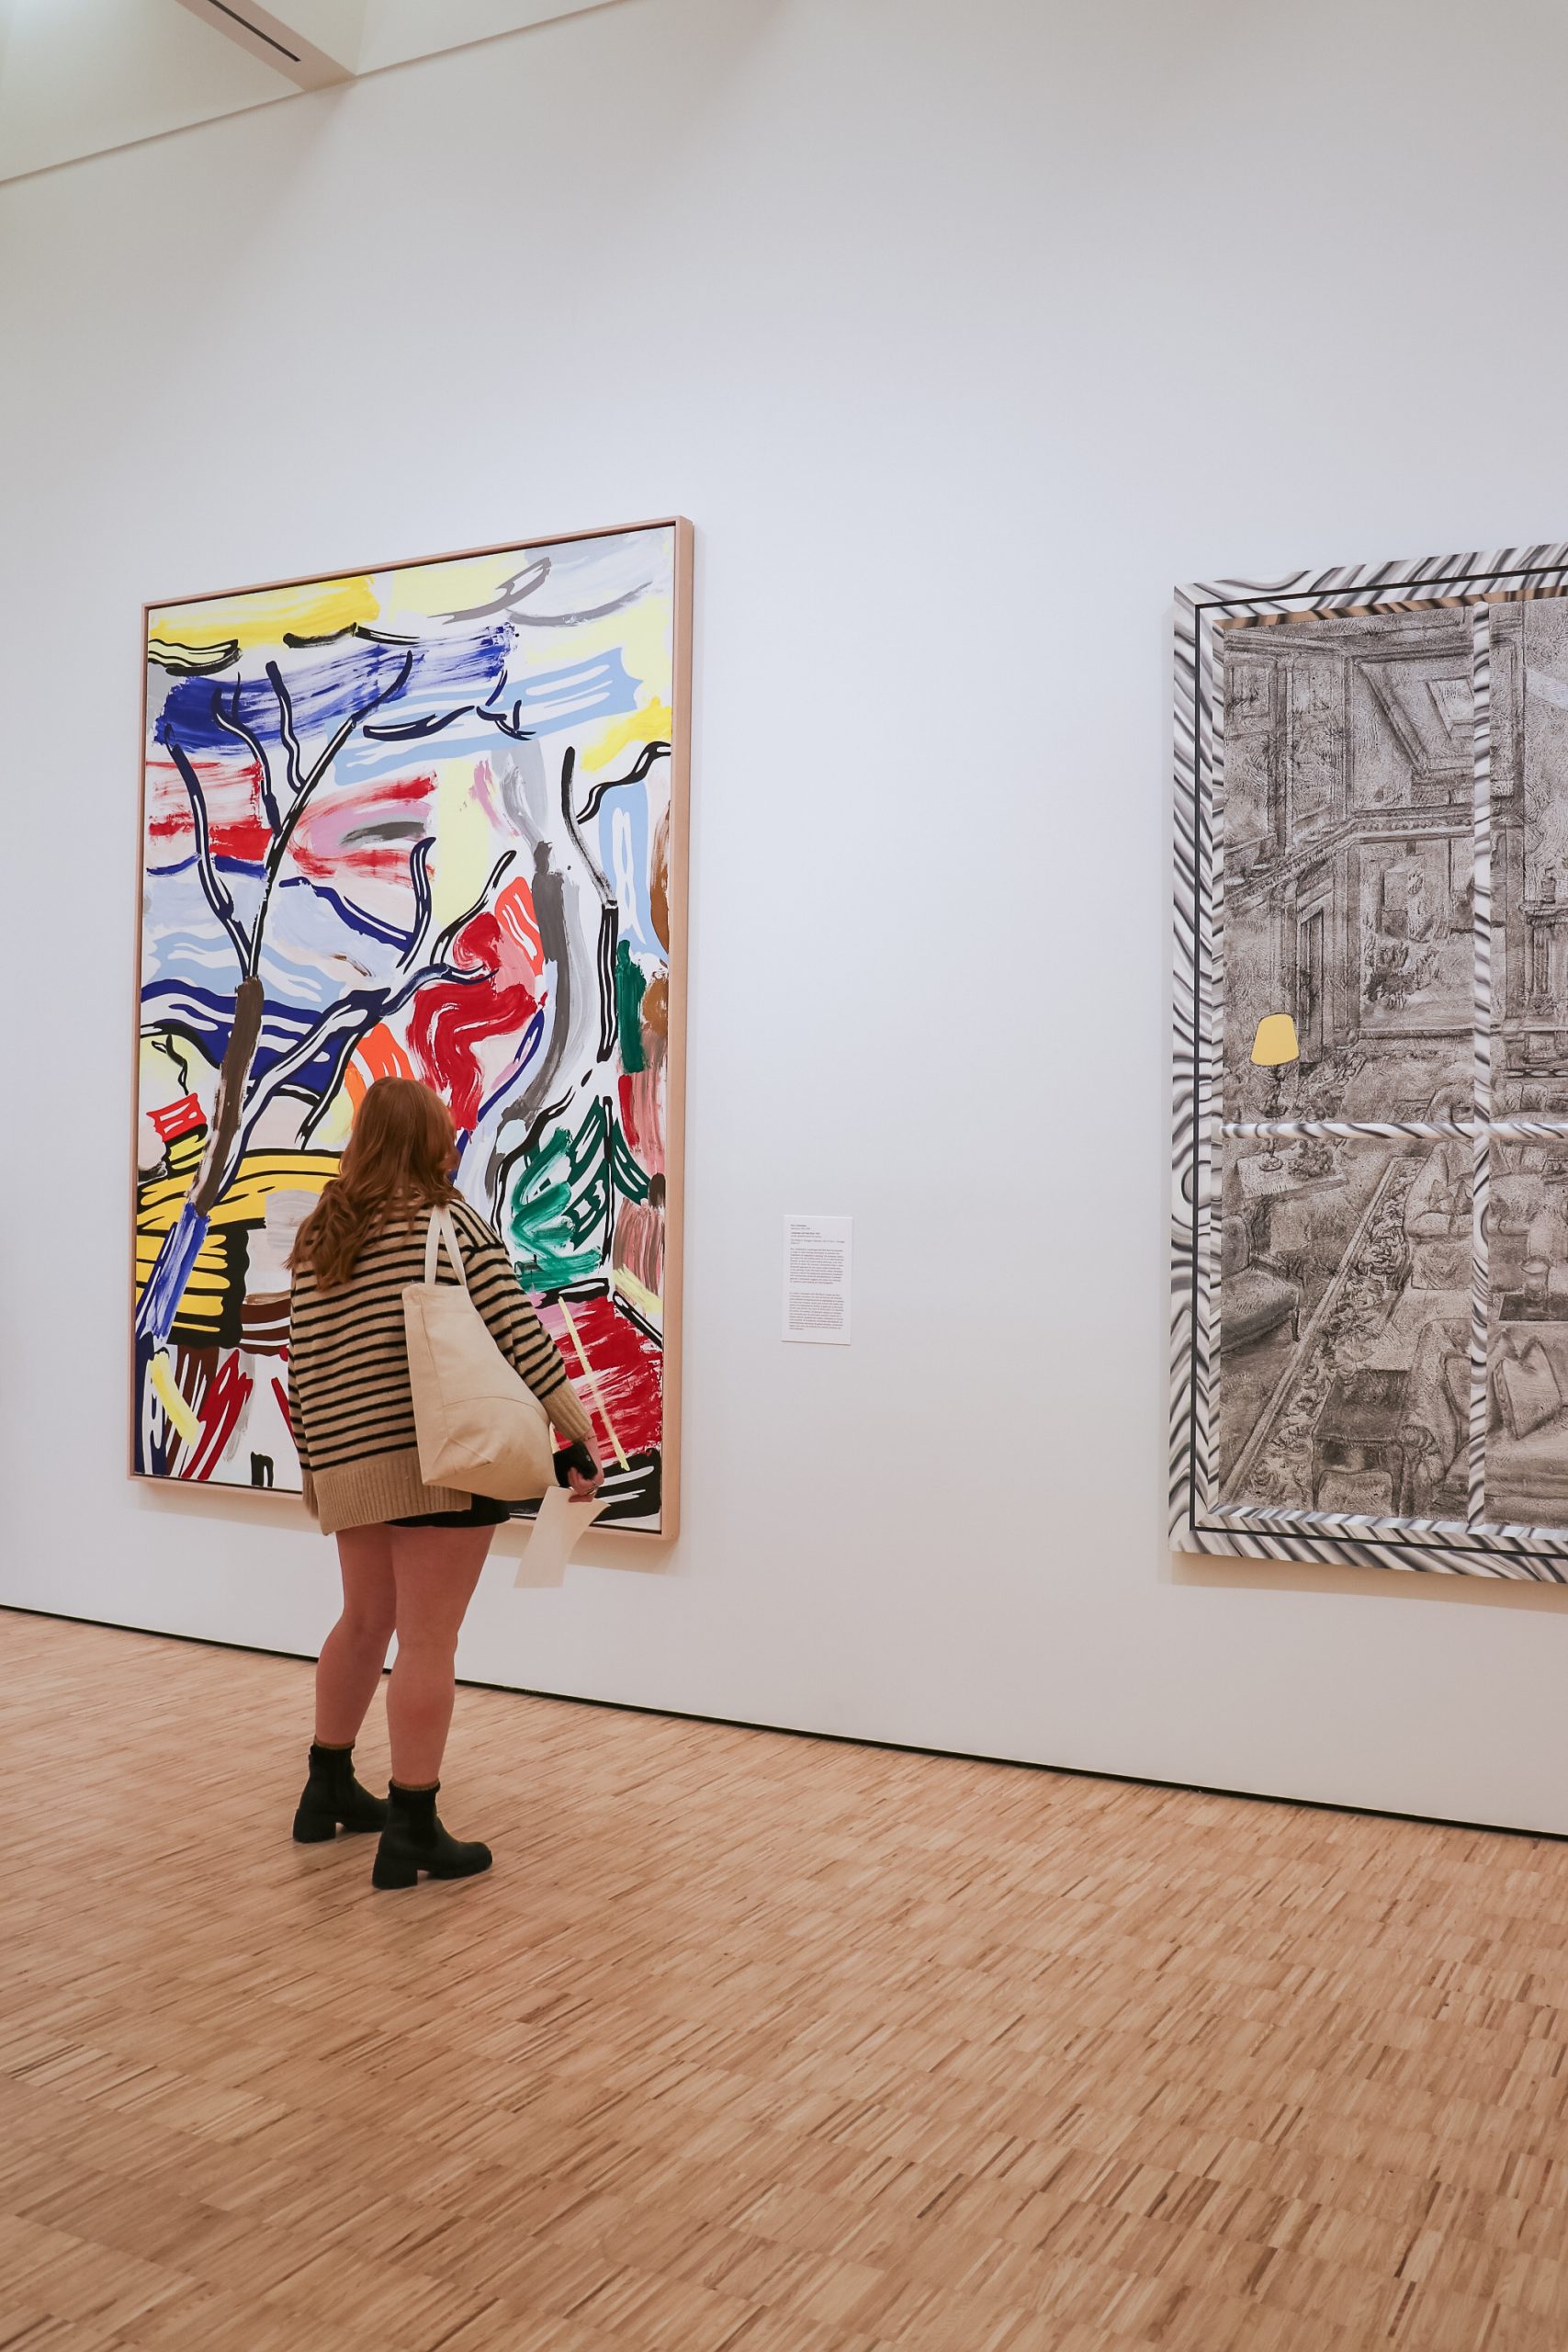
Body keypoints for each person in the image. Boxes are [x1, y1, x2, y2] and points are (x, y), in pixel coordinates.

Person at [286, 1077, 602, 1889]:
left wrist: (321, 1466)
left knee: (361, 1624)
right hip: (441, 1461)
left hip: (351, 1460)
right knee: (428, 1643)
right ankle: (414, 1825)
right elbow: (517, 1335)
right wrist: (572, 1429)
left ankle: (325, 1790)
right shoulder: (448, 1224)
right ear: (432, 1139)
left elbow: (304, 1365)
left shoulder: (322, 1235)